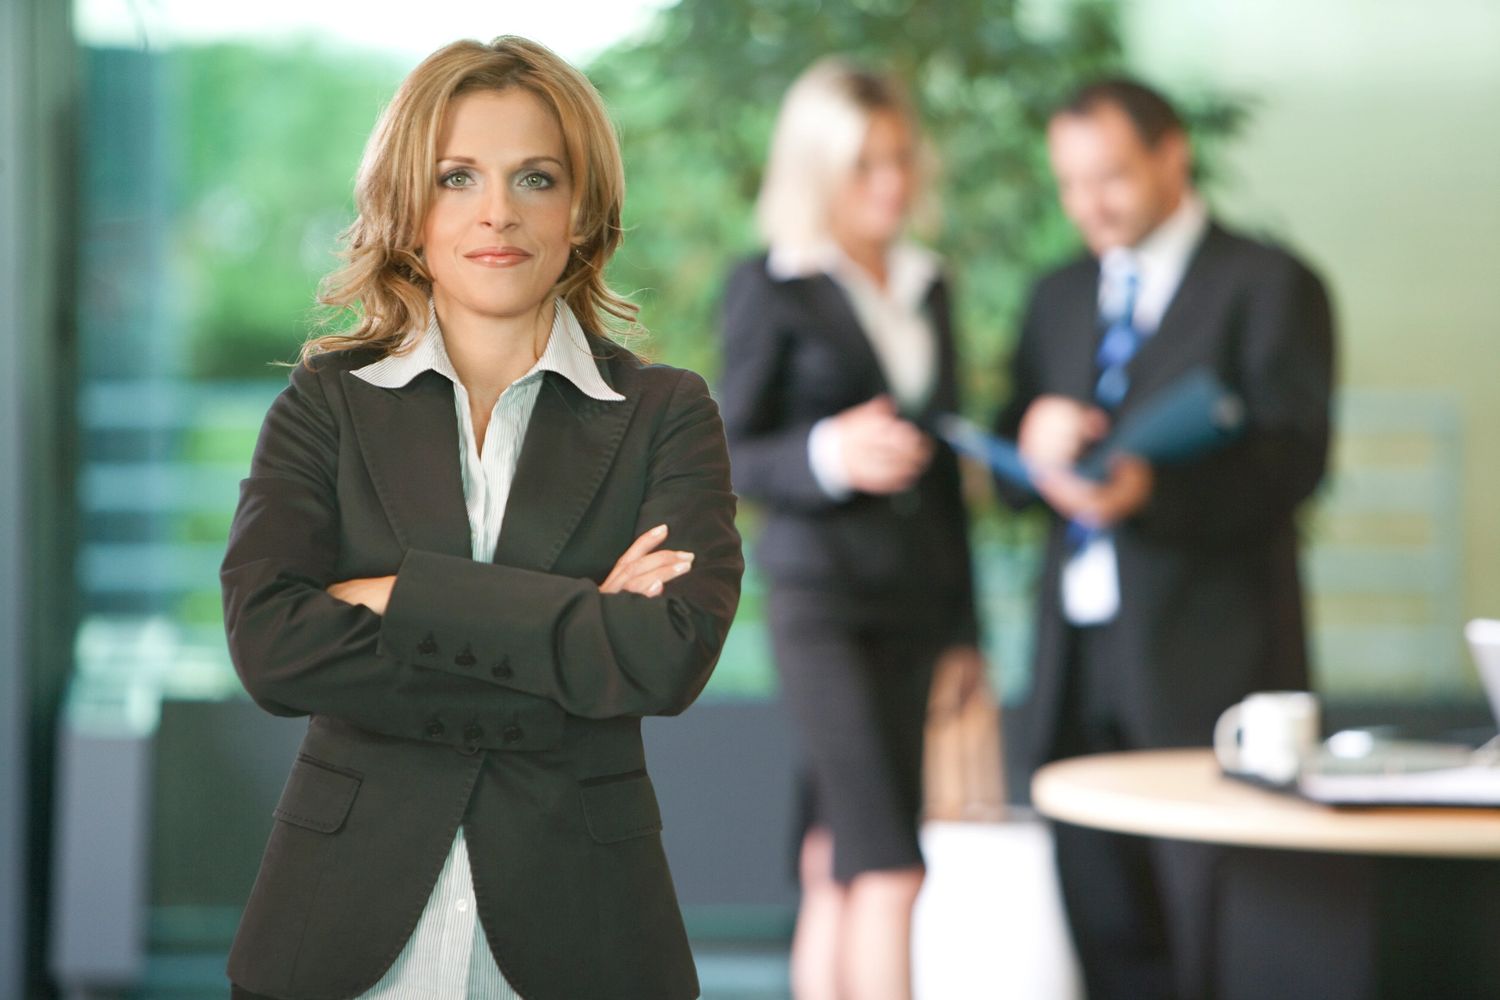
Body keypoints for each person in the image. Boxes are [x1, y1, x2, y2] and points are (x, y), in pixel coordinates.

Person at [219, 36, 743, 1000]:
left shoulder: (668, 413)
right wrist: (576, 623)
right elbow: (272, 646)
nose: (497, 211)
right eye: (457, 177)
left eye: (536, 177)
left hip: (586, 925)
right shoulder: (325, 402)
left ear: (581, 210)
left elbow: (664, 657)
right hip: (339, 924)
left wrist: (398, 596)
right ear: (408, 207)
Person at [993, 78, 1335, 999]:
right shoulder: (1059, 294)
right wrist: (1031, 442)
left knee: (1218, 918)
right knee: (1102, 911)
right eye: (1070, 184)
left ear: (1173, 155)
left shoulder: (1269, 285)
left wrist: (1154, 491)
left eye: (1109, 177)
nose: (1088, 205)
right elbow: (1006, 468)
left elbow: (1295, 464)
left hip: (1212, 659)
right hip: (1077, 660)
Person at [718, 59, 981, 1000]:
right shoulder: (771, 285)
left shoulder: (929, 284)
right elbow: (727, 453)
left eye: (902, 158)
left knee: (838, 851)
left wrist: (966, 634)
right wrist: (828, 453)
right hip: (822, 605)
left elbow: (948, 474)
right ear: (817, 169)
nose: (892, 183)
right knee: (890, 867)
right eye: (865, 163)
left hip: (916, 608)